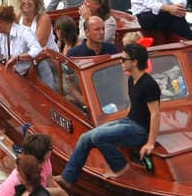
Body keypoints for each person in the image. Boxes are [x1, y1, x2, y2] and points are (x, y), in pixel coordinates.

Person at [60, 42, 160, 184]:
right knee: (85, 137)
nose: (121, 62)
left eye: (124, 59)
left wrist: (150, 143)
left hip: (140, 130)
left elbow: (155, 114)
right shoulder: (132, 79)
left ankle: (121, 167)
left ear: (135, 62)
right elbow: (134, 105)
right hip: (129, 121)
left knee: (98, 136)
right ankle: (67, 178)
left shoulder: (149, 85)